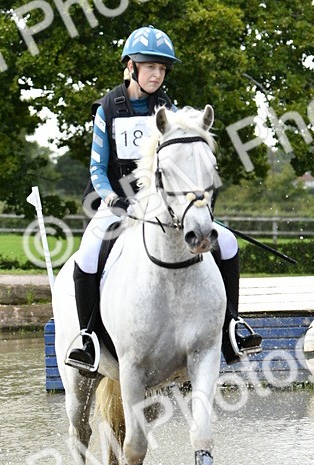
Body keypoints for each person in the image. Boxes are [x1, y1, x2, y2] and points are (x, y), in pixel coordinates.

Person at [64, 24, 262, 373]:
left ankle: (231, 326)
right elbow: (97, 168)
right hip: (115, 202)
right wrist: (114, 200)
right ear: (131, 67)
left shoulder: (167, 109)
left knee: (227, 242)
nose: (156, 74)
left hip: (163, 205)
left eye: (161, 68)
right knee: (88, 253)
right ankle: (88, 338)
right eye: (149, 67)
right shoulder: (107, 109)